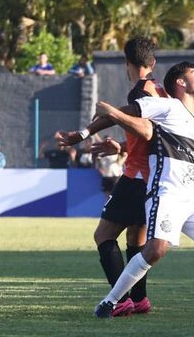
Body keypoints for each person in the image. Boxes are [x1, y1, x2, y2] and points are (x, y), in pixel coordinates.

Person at [92, 61, 194, 320]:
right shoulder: (168, 106)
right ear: (181, 83)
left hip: (190, 198)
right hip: (165, 194)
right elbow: (133, 113)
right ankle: (110, 301)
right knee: (156, 250)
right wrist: (103, 119)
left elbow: (179, 149)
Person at [56, 36, 168, 317]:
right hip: (154, 176)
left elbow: (145, 130)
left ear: (126, 64)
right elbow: (147, 132)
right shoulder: (160, 91)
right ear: (152, 63)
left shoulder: (141, 91)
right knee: (136, 240)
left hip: (137, 176)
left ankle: (120, 299)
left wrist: (100, 123)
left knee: (103, 235)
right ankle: (140, 299)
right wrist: (119, 144)